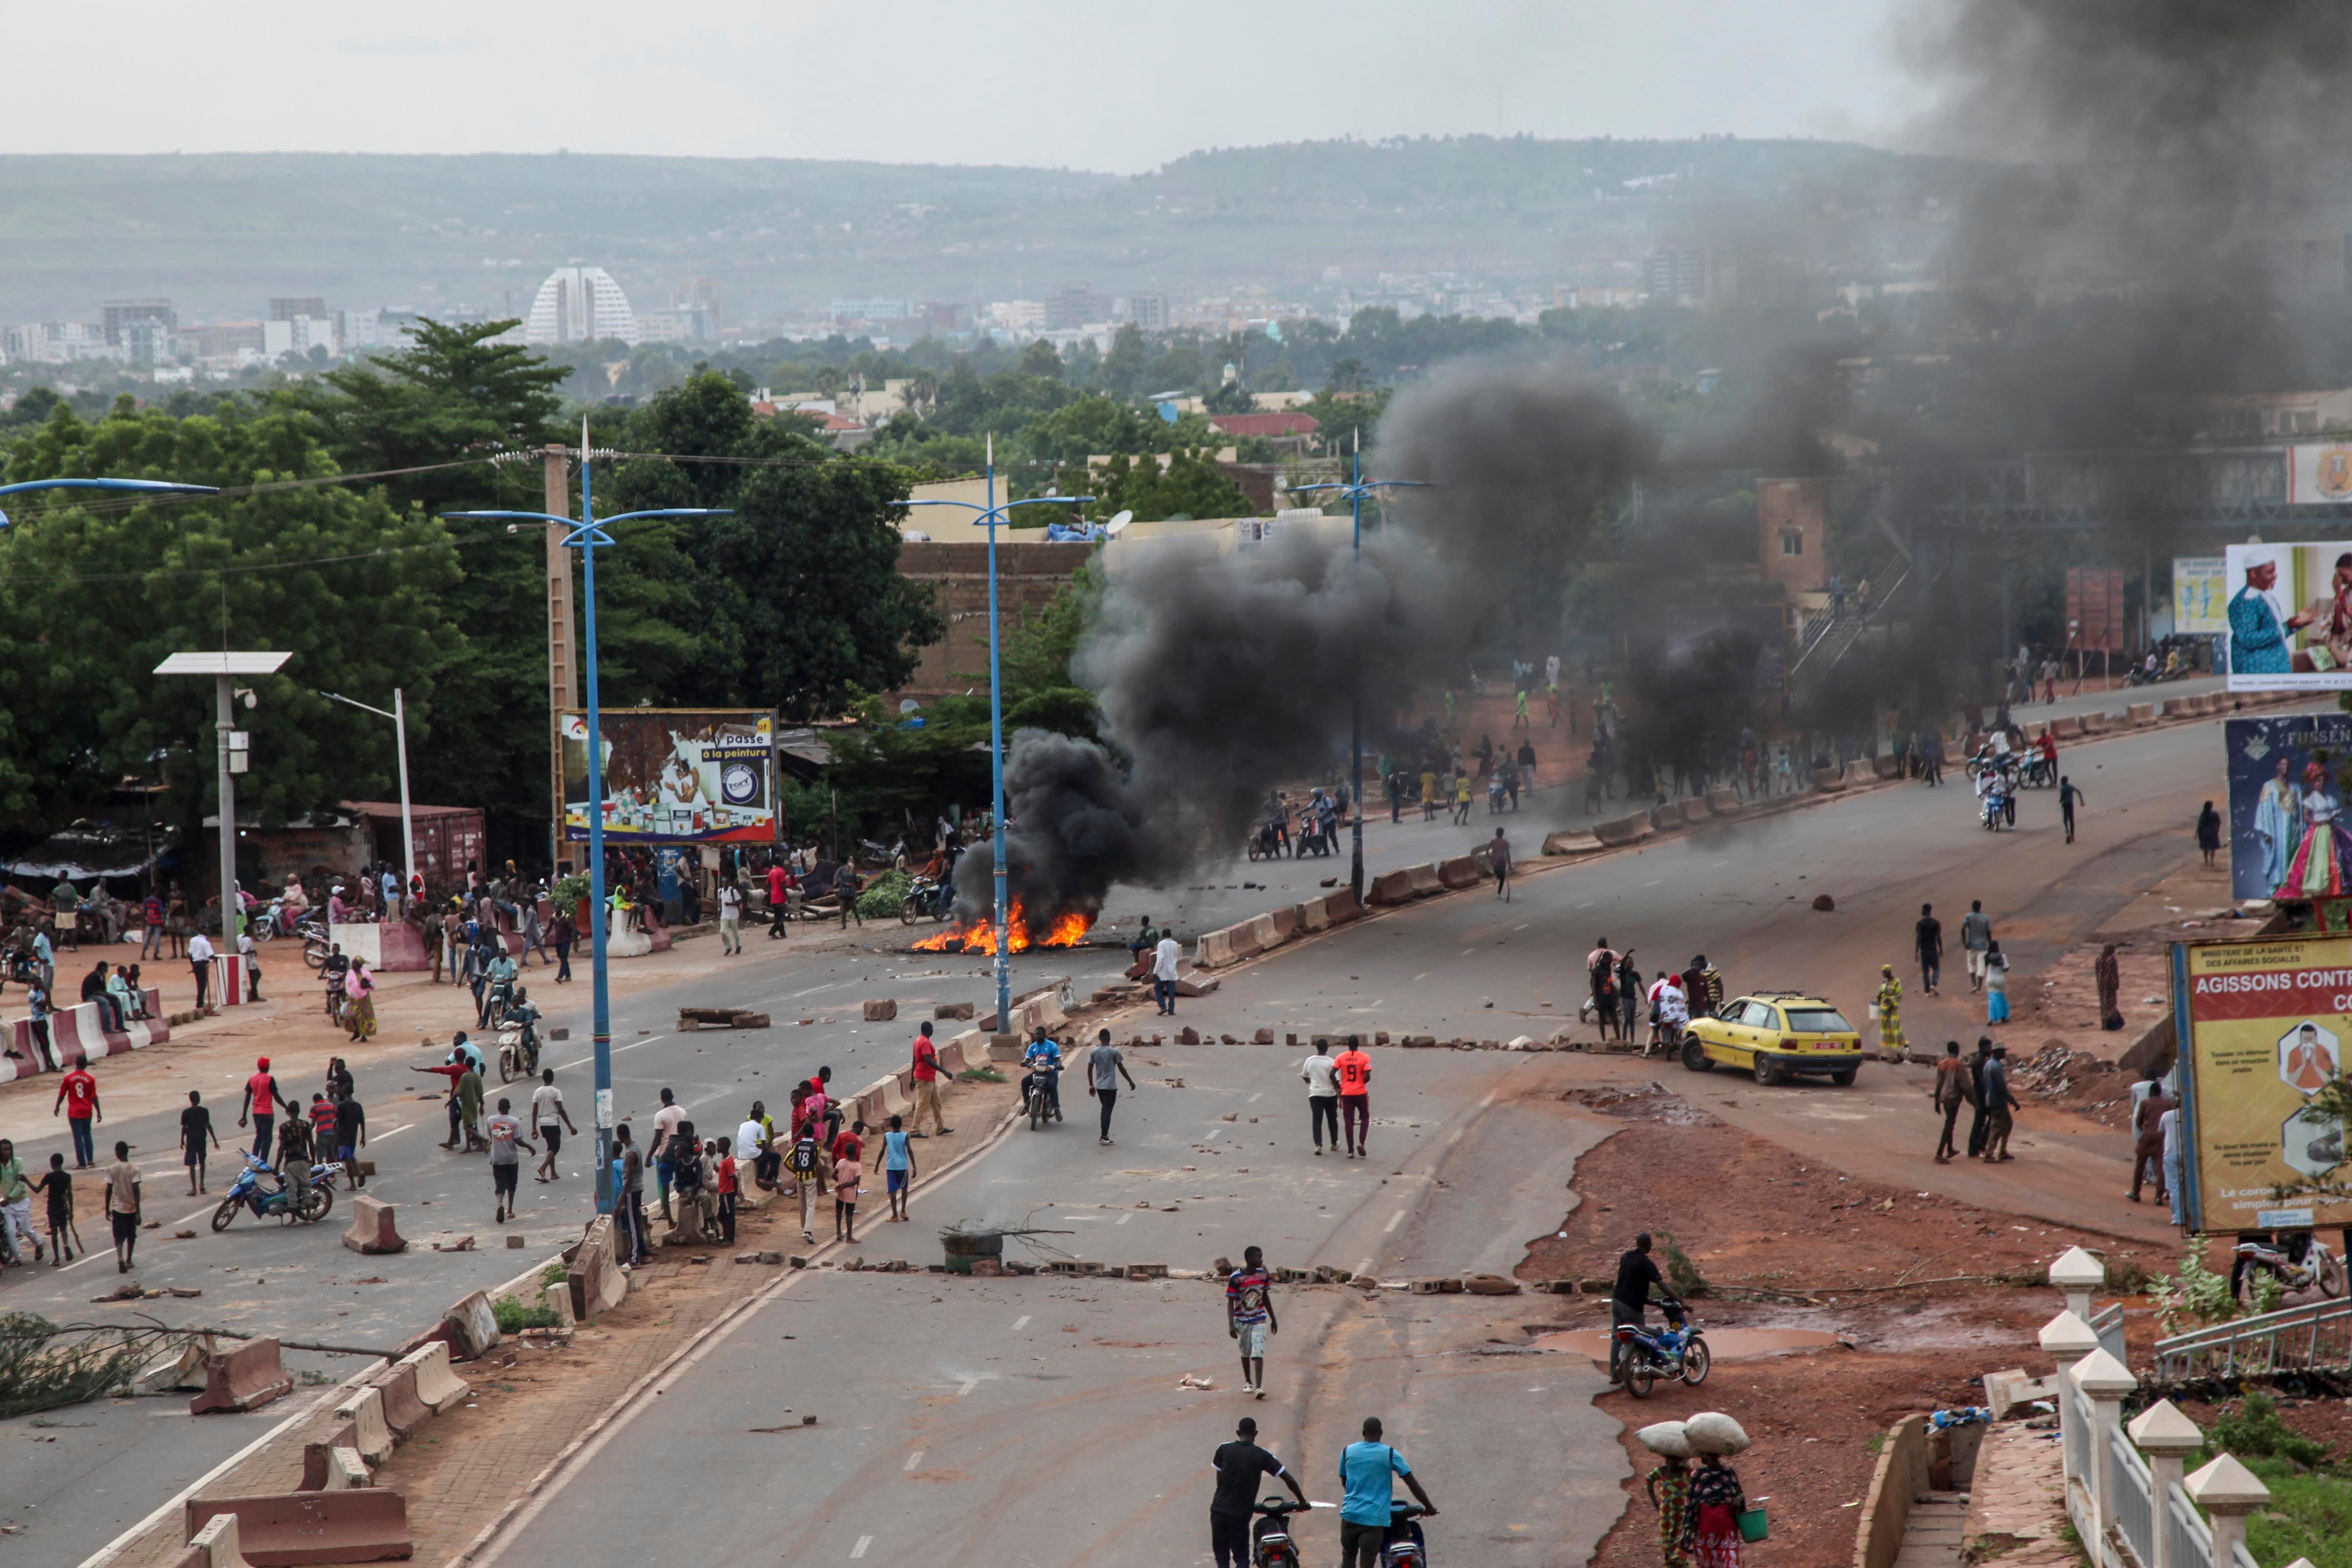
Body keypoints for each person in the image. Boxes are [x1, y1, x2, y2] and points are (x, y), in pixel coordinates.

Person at [1210, 1415, 1310, 1568]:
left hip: (1218, 1510)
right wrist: (1302, 1502)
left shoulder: (1223, 1449)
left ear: (1238, 1433)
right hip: (1240, 1514)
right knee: (1242, 1557)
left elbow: (1220, 1480)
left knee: (1222, 1556)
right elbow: (1288, 1479)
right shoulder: (1262, 1455)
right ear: (1256, 1434)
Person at [1338, 1417, 1437, 1568]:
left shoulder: (1347, 1452)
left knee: (1349, 1557)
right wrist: (1429, 1507)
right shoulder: (1389, 1453)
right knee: (1367, 1562)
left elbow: (1345, 1482)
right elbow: (1412, 1483)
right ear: (1381, 1433)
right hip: (1374, 1519)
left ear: (1364, 1433)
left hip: (1350, 1516)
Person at [1610, 1233, 1680, 1384]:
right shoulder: (1646, 1263)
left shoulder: (1626, 1258)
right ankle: (1645, 1372)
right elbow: (1662, 1285)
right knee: (1642, 1339)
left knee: (1617, 1338)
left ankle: (1615, 1375)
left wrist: (1650, 1302)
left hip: (1616, 1301)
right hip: (1632, 1307)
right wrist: (1681, 1301)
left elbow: (1629, 1283)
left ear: (1637, 1244)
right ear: (1649, 1246)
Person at [1227, 1244, 1278, 1396]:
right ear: (1249, 1259)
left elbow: (1265, 1297)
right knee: (1246, 1352)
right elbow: (1230, 1301)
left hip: (1259, 1318)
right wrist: (1231, 1324)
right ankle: (1248, 1381)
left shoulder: (1263, 1275)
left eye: (1261, 1256)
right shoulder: (1236, 1278)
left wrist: (1273, 1319)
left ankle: (1259, 1387)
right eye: (1258, 1257)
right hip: (1242, 1320)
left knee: (1258, 1350)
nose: (1261, 1260)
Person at [1688, 1451, 1747, 1568]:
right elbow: (1690, 1503)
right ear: (1703, 1457)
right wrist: (1687, 1531)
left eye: (1714, 1455)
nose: (1712, 1459)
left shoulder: (1728, 1472)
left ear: (1719, 1455)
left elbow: (1740, 1493)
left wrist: (1739, 1499)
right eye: (1709, 1455)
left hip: (1727, 1531)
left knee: (1730, 1564)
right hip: (1704, 1533)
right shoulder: (1697, 1475)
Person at [1646, 1449, 1697, 1568]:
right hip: (1666, 1517)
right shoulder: (1661, 1472)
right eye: (1668, 1459)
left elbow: (1698, 1484)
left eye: (1673, 1460)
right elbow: (1648, 1481)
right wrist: (1655, 1502)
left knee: (1680, 1550)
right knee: (1667, 1548)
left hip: (1682, 1517)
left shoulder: (1687, 1473)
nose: (1670, 1463)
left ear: (1679, 1460)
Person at [486, 1097, 533, 1223]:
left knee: (500, 1184)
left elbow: (491, 1136)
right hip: (511, 1158)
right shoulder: (515, 1122)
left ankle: (500, 1203)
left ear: (498, 1108)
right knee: (512, 1184)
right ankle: (510, 1210)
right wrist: (529, 1147)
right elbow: (518, 1140)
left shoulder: (491, 1120)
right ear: (509, 1108)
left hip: (497, 1158)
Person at [2131, 1073, 2176, 1203]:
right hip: (2161, 1137)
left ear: (2151, 1092)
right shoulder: (2167, 1104)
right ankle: (2158, 1196)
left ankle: (2136, 1192)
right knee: (2160, 1168)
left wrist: (2144, 1130)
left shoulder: (2145, 1103)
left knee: (2140, 1164)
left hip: (2147, 1136)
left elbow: (2138, 1121)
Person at [1088, 1027, 1137, 1144]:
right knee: (1107, 1111)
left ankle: (1104, 1134)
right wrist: (1130, 1081)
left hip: (1099, 1087)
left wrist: (1091, 1085)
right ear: (1109, 1039)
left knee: (1105, 1109)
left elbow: (1089, 1069)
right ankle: (1104, 1136)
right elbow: (1122, 1069)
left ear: (1100, 1039)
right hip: (1110, 1087)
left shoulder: (1094, 1052)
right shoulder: (1114, 1052)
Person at [101, 1139, 143, 1272]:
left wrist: (107, 1207)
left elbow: (108, 1189)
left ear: (117, 1153)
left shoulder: (112, 1169)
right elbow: (136, 1190)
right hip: (131, 1208)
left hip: (117, 1207)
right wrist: (138, 1212)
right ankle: (129, 1260)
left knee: (119, 1236)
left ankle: (120, 1258)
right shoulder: (134, 1169)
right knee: (131, 1235)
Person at [784, 1118, 828, 1243]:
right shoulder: (816, 1147)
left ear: (803, 1133)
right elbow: (815, 1162)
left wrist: (795, 1171)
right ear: (813, 1133)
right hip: (810, 1178)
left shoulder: (797, 1146)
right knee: (811, 1204)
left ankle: (804, 1227)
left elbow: (786, 1161)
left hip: (799, 1177)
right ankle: (808, 1231)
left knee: (802, 1204)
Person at [241, 1056, 292, 1161]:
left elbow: (247, 1098)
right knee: (267, 1138)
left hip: (256, 1113)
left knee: (259, 1136)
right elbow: (276, 1096)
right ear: (267, 1067)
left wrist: (244, 1116)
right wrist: (286, 1107)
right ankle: (263, 1161)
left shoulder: (252, 1079)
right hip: (267, 1112)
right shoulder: (269, 1079)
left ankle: (254, 1160)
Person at [31, 1153, 77, 1266]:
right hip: (63, 1206)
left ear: (52, 1164)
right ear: (61, 1163)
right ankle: (66, 1245)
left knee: (54, 1232)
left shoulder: (49, 1177)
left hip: (53, 1207)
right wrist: (71, 1210)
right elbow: (69, 1194)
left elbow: (37, 1190)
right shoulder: (67, 1177)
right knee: (64, 1229)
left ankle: (57, 1258)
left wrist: (26, 1181)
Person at [614, 1124, 651, 1265]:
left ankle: (634, 1258)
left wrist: (622, 1197)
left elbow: (628, 1179)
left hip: (631, 1191)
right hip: (637, 1189)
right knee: (636, 1221)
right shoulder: (635, 1148)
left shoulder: (630, 1154)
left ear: (620, 1135)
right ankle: (642, 1252)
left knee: (632, 1225)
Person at [54, 1056, 100, 1169]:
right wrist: (99, 1111)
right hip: (87, 1110)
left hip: (74, 1112)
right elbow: (94, 1097)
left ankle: (82, 1163)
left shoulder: (68, 1078)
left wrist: (57, 1106)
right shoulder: (91, 1079)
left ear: (76, 1064)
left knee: (78, 1137)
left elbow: (62, 1094)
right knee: (87, 1134)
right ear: (86, 1065)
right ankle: (90, 1160)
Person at [531, 1068, 576, 1183]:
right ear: (553, 1078)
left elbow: (534, 1111)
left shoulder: (538, 1092)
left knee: (550, 1146)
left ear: (543, 1078)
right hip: (553, 1123)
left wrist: (534, 1128)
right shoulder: (556, 1092)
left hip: (543, 1124)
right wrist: (570, 1126)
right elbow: (561, 1110)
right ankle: (543, 1168)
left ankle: (553, 1173)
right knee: (555, 1147)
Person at [909, 1022, 953, 1138]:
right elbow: (928, 1060)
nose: (933, 1030)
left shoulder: (918, 1040)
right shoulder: (925, 1043)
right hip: (925, 1078)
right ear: (929, 1030)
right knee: (922, 1104)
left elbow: (914, 1060)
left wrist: (911, 1078)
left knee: (936, 1103)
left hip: (928, 1078)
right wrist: (944, 1071)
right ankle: (915, 1130)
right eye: (932, 1029)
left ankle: (940, 1127)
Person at [0, 1140, 41, 1264]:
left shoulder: (18, 1162)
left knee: (26, 1229)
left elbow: (21, 1184)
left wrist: (9, 1198)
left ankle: (39, 1244)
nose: (8, 1152)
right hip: (7, 1204)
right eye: (5, 1150)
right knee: (10, 1231)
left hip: (20, 1201)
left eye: (9, 1149)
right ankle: (18, 1258)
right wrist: (6, 1200)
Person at [650, 1087, 687, 1221]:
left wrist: (649, 1157)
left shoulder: (660, 1115)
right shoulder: (683, 1112)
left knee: (663, 1185)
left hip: (665, 1154)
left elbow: (657, 1139)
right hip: (681, 1153)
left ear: (662, 1098)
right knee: (682, 1183)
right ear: (672, 1096)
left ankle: (666, 1213)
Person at [1302, 1040, 1341, 1154]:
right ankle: (1334, 1143)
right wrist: (1339, 1091)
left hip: (1315, 1094)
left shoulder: (1310, 1061)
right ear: (1327, 1048)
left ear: (1317, 1048)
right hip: (1330, 1094)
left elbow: (1304, 1075)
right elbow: (1335, 1079)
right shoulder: (1331, 1062)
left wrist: (1309, 1081)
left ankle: (1318, 1145)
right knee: (1332, 1119)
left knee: (1317, 1120)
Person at [1932, 1042, 1968, 1163]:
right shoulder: (1958, 1064)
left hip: (1944, 1097)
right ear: (1957, 1051)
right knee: (1949, 1124)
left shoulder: (1942, 1064)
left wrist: (1937, 1102)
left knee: (1950, 1122)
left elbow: (1938, 1086)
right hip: (1953, 1098)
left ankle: (1950, 1149)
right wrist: (1975, 1102)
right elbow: (1965, 1085)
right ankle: (1939, 1153)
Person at [1983, 1045, 2019, 1160]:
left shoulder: (1988, 1064)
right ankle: (1990, 1153)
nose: (2005, 1054)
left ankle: (2003, 1151)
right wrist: (2013, 1101)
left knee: (2008, 1124)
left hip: (1991, 1098)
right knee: (1997, 1127)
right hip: (1998, 1101)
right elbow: (2002, 1088)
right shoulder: (1996, 1067)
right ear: (1997, 1052)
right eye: (2003, 1051)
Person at [181, 1089, 220, 1194]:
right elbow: (208, 1126)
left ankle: (194, 1188)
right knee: (202, 1162)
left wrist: (182, 1141)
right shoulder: (204, 1111)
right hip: (201, 1139)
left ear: (190, 1100)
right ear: (199, 1099)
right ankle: (202, 1184)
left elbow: (184, 1128)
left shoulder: (186, 1113)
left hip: (191, 1140)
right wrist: (215, 1140)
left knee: (192, 1165)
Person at [1022, 1029, 1064, 1123]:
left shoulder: (1052, 1046)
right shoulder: (1032, 1047)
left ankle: (1057, 1109)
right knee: (1025, 1082)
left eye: (1040, 1034)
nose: (1038, 1036)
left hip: (1051, 1073)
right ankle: (1027, 1104)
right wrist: (1025, 1063)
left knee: (1052, 1087)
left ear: (1044, 1035)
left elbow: (1057, 1059)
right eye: (1036, 1034)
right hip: (1037, 1072)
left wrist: (1058, 1065)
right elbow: (1027, 1059)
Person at [1875, 965, 1906, 1063]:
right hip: (1884, 1009)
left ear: (1889, 972)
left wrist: (1890, 999)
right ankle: (1887, 1051)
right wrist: (1880, 996)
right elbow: (1880, 994)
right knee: (1885, 1030)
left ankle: (1898, 1050)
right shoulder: (1884, 982)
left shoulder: (1896, 982)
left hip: (1893, 1009)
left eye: (1885, 972)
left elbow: (1899, 995)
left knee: (1894, 1029)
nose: (1884, 974)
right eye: (1883, 972)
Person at [1960, 901, 1993, 992]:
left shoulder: (1969, 917)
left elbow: (1963, 929)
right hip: (1983, 945)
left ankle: (1974, 985)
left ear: (1972, 907)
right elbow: (1988, 932)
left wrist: (1964, 942)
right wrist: (1990, 944)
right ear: (1980, 907)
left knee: (1971, 964)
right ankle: (1979, 988)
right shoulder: (1985, 918)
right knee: (1982, 966)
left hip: (1972, 945)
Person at [833, 1144, 860, 1242]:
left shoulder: (841, 1162)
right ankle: (849, 1237)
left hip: (840, 1191)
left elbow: (834, 1175)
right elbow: (857, 1181)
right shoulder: (857, 1166)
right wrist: (845, 1185)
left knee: (839, 1211)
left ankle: (839, 1233)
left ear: (846, 1152)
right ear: (856, 1152)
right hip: (850, 1193)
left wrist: (840, 1183)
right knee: (849, 1214)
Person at [1915, 903, 1942, 997]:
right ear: (1930, 911)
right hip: (1933, 950)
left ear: (1924, 911)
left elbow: (1918, 938)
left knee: (1925, 971)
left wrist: (1916, 952)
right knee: (1937, 969)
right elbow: (1939, 937)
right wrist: (1941, 949)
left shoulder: (1920, 924)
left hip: (1924, 951)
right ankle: (1933, 984)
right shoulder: (1936, 923)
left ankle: (1927, 992)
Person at [1154, 928, 1183, 1016]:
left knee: (1158, 989)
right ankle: (1171, 1010)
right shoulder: (1175, 944)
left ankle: (1163, 1006)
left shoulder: (1161, 944)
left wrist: (1155, 971)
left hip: (1163, 971)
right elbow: (1176, 956)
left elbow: (1160, 959)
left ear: (1162, 936)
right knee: (1171, 992)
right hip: (1172, 971)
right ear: (1171, 935)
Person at [1984, 941, 2011, 1024]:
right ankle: (2004, 1017)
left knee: (1992, 1000)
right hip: (2000, 980)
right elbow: (2006, 968)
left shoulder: (1987, 957)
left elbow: (1986, 966)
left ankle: (1991, 1019)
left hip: (1990, 979)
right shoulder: (2002, 956)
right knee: (2002, 998)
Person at [188, 926, 214, 1011]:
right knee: (202, 985)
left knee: (199, 984)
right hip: (203, 964)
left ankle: (200, 1003)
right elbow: (210, 955)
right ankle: (200, 1004)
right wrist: (217, 958)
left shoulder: (193, 940)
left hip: (196, 963)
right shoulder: (205, 942)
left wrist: (193, 966)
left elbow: (189, 954)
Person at [2197, 800, 2224, 871]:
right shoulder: (2215, 813)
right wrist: (2218, 829)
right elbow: (2219, 822)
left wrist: (2197, 832)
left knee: (2206, 848)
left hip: (2205, 832)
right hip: (2213, 831)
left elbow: (2200, 824)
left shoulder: (2203, 814)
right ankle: (2212, 861)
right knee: (2213, 848)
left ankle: (2206, 861)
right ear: (2211, 807)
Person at [2057, 775, 2085, 844]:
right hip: (2071, 804)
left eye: (2061, 781)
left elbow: (2062, 798)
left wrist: (2060, 801)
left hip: (2065, 805)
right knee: (2072, 820)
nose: (2061, 782)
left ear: (2063, 782)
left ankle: (2067, 832)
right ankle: (2072, 836)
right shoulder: (2070, 787)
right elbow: (2079, 792)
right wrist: (2082, 801)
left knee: (2065, 820)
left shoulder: (2063, 789)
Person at [550, 907, 576, 982]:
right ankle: (568, 976)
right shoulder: (553, 917)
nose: (557, 910)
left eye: (558, 908)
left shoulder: (567, 917)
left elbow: (572, 929)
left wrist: (575, 942)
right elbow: (549, 928)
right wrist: (543, 936)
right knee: (561, 957)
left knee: (564, 957)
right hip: (558, 941)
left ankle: (560, 977)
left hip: (566, 940)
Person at [718, 879, 743, 955]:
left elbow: (739, 901)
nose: (724, 884)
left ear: (729, 883)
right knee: (723, 932)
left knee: (735, 933)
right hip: (724, 915)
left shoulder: (733, 891)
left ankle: (739, 946)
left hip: (733, 915)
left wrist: (730, 904)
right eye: (723, 882)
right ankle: (728, 947)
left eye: (726, 882)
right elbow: (720, 901)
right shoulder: (720, 891)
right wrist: (720, 910)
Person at [1489, 826, 1512, 900]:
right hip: (1502, 861)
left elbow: (1487, 849)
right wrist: (1510, 864)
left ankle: (1496, 877)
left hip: (1494, 861)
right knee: (1502, 878)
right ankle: (1499, 894)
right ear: (1503, 834)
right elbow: (1508, 854)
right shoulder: (1505, 842)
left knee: (1497, 873)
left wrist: (1488, 856)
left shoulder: (1493, 841)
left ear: (1496, 833)